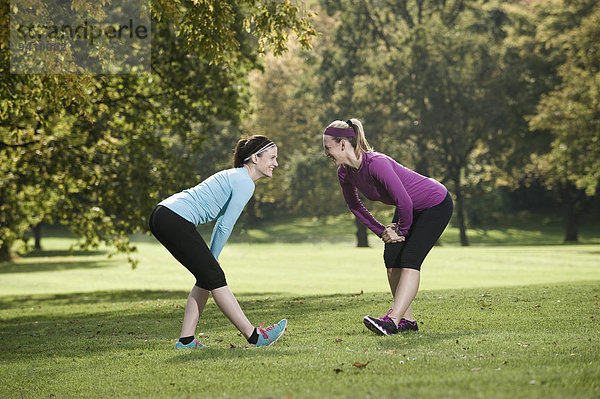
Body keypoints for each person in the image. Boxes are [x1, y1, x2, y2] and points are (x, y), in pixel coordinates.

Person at [149, 135, 287, 348]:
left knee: (206, 276)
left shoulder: (238, 176)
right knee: (214, 275)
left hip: (163, 214)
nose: (276, 163)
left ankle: (186, 340)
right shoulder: (244, 182)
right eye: (272, 158)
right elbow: (224, 225)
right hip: (173, 217)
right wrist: (212, 258)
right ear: (255, 158)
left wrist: (210, 262)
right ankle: (255, 336)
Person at [322, 119, 453, 336]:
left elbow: (405, 202)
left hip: (435, 203)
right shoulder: (344, 173)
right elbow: (354, 206)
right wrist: (382, 231)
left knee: (410, 258)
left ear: (343, 144)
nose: (325, 153)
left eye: (328, 147)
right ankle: (407, 320)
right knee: (392, 257)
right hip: (408, 206)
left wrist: (400, 230)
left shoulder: (376, 163)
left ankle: (392, 319)